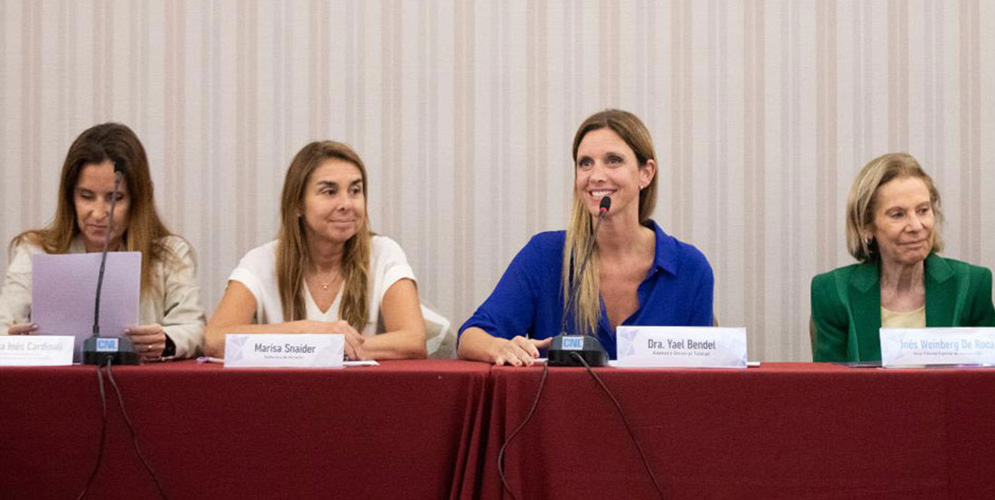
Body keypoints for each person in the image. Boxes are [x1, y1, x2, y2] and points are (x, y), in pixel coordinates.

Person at [457, 109, 715, 366]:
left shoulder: (690, 268)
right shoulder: (545, 255)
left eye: (613, 160)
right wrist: (500, 347)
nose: (596, 175)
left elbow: (702, 378)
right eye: (585, 163)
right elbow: (470, 336)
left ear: (646, 173)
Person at [0, 122, 205, 361]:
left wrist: (166, 341)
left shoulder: (169, 254)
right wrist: (14, 343)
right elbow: (3, 326)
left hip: (141, 387)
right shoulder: (34, 250)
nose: (98, 213)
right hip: (55, 386)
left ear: (139, 200)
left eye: (114, 198)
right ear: (70, 197)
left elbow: (196, 329)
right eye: (86, 196)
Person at [204, 141, 426, 360]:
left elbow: (413, 341)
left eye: (355, 191)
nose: (346, 204)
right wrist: (308, 332)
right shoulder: (262, 261)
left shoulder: (384, 253)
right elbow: (214, 340)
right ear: (298, 204)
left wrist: (331, 344)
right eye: (329, 192)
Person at [811, 153, 995, 362]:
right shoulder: (833, 292)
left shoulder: (972, 284)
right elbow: (830, 386)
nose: (916, 226)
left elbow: (986, 382)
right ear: (866, 226)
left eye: (923, 210)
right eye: (898, 214)